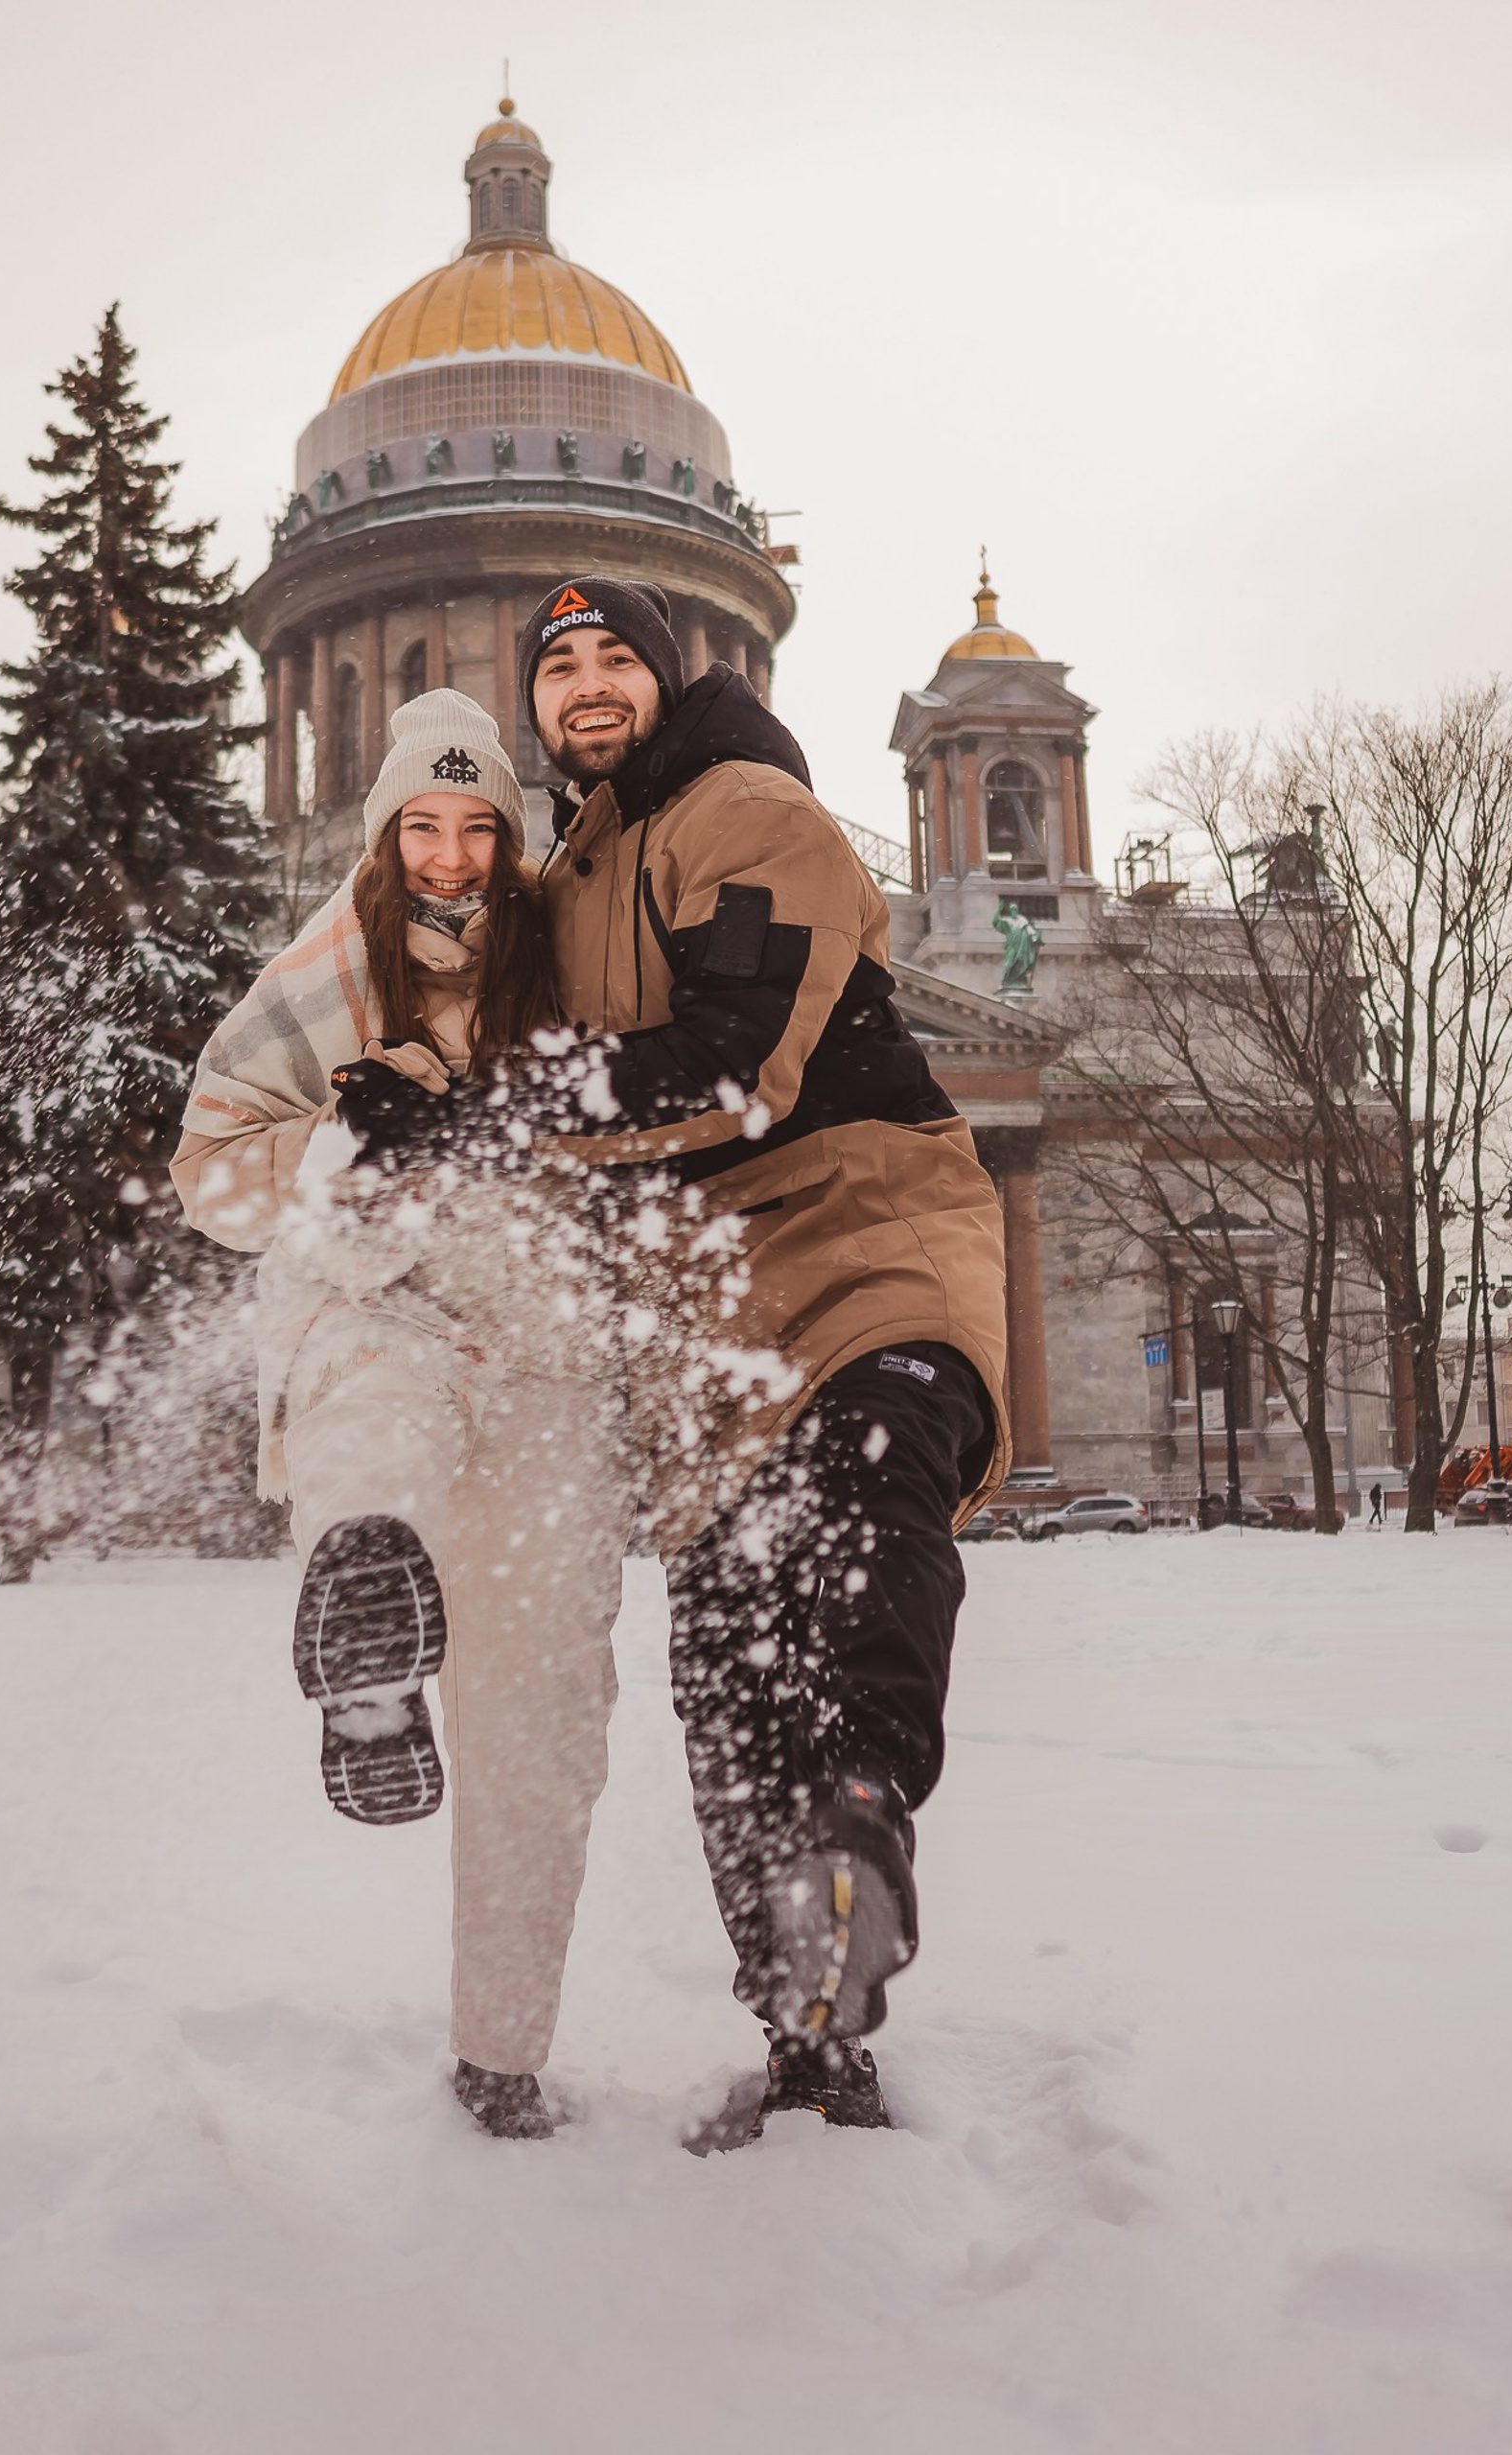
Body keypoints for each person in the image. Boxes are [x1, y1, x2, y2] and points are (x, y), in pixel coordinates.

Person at [509, 578, 1009, 2150]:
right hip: (705, 1311)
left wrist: (494, 1113)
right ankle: (809, 2034)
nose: (588, 687)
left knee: (873, 1516)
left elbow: (730, 1066)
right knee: (727, 1678)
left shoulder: (754, 808)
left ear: (674, 677)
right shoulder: (561, 875)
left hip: (864, 1231)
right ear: (533, 706)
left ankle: (862, 1814)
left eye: (615, 661)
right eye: (559, 667)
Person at [171, 690, 625, 2143]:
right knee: (373, 1409)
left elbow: (659, 1131)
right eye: (418, 827)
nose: (445, 854)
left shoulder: (577, 965)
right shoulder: (320, 971)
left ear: (510, 828)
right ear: (381, 834)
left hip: (546, 1346)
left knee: (544, 1710)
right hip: (376, 1296)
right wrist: (345, 1135)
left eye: (473, 824)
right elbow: (209, 1170)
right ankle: (366, 1626)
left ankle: (504, 2049)